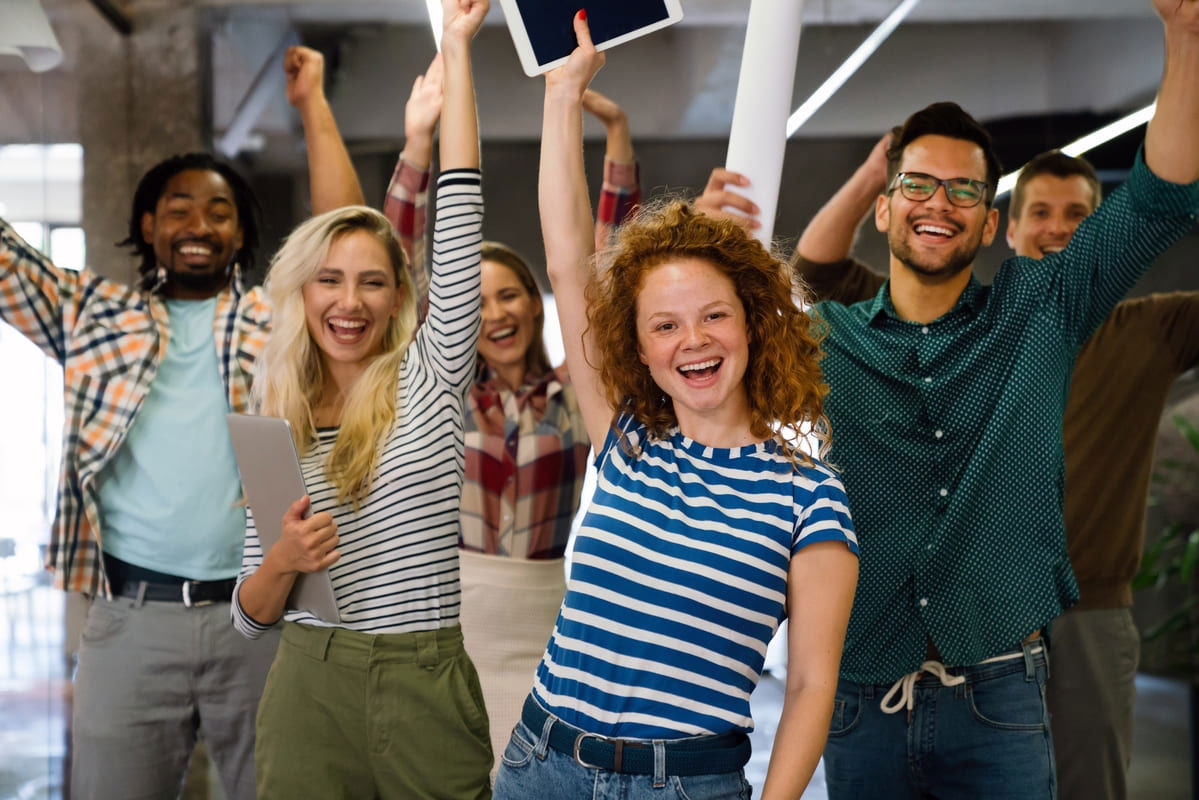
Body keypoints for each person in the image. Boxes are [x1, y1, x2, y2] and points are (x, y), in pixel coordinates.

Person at [692, 2, 1199, 796]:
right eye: (918, 185)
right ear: (884, 207)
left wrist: (1184, 38)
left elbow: (1157, 199)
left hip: (999, 695)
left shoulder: (1040, 311)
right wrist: (697, 238)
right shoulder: (823, 337)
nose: (939, 203)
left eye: (963, 190)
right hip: (860, 697)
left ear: (988, 222)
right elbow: (687, 353)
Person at [492, 14, 860, 800]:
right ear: (642, 349)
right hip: (539, 765)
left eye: (713, 315)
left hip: (685, 786)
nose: (691, 341)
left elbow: (810, 687)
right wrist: (561, 94)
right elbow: (565, 265)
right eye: (664, 324)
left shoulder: (808, 495)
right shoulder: (626, 436)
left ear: (755, 322)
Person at [0, 45, 360, 799]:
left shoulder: (276, 321)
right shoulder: (93, 313)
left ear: (240, 233)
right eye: (179, 209)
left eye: (219, 210)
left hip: (261, 613)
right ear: (149, 225)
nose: (199, 224)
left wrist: (312, 104)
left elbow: (343, 237)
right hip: (129, 618)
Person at [230, 1, 493, 797]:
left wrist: (455, 47)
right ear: (302, 293)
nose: (349, 301)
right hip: (309, 680)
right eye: (330, 280)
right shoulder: (277, 412)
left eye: (372, 281)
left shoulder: (431, 371)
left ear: (397, 298)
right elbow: (249, 615)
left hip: (425, 674)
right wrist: (282, 560)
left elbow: (462, 202)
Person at [384, 56, 642, 772]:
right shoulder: (438, 399)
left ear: (534, 304)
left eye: (509, 295)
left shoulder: (575, 398)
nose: (492, 311)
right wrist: (416, 147)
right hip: (445, 626)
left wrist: (616, 136)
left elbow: (608, 278)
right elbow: (396, 273)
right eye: (475, 298)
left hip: (545, 633)